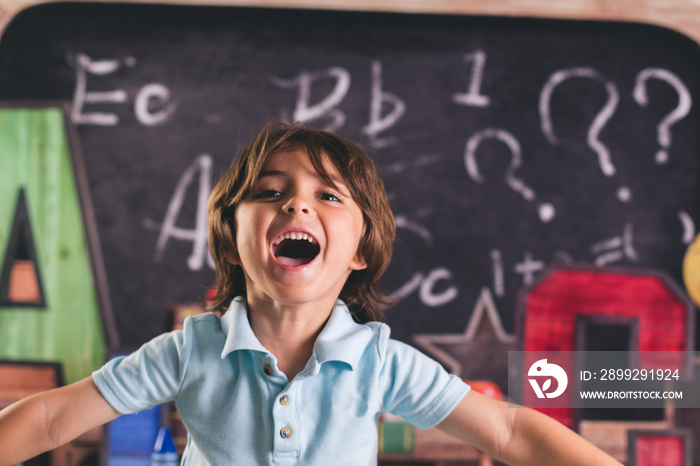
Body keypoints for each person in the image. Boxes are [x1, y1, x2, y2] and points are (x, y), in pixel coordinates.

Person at [0, 121, 621, 465]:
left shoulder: (379, 363)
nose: (296, 200)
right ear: (231, 236)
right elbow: (52, 416)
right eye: (270, 192)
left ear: (358, 251)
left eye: (328, 196)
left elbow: (511, 432)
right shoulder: (190, 352)